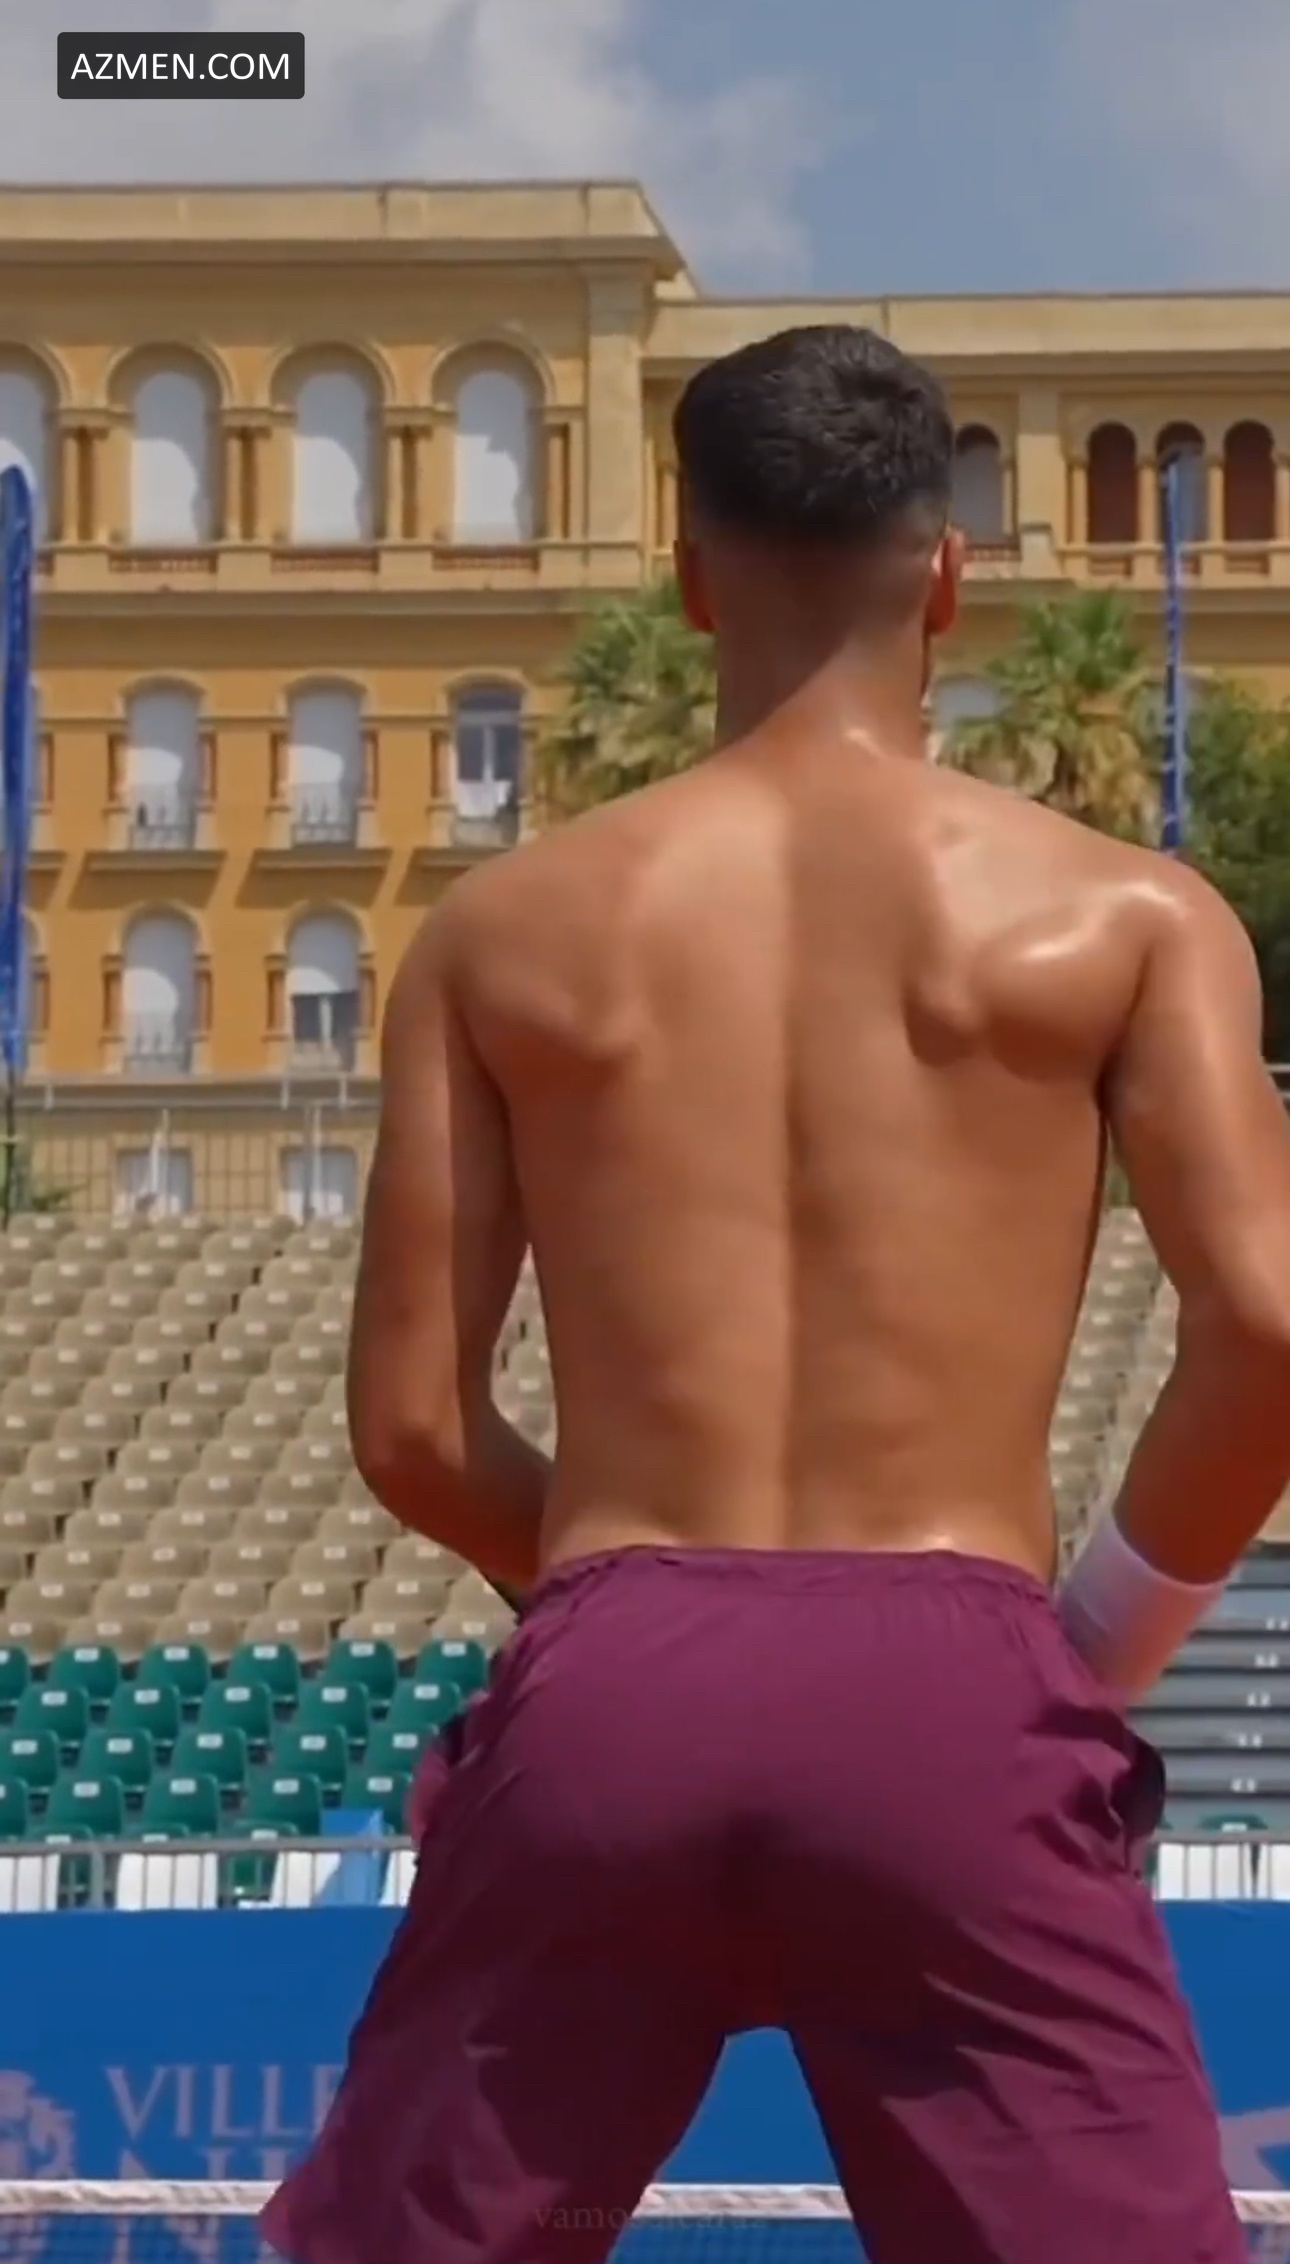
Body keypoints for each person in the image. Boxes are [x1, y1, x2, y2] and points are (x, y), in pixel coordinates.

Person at [263, 325, 1290, 2264]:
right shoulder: (1129, 916)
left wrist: (652, 1611)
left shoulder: (502, 931)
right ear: (949, 574)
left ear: (689, 576)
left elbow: (411, 1429)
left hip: (614, 1678)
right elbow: (1271, 1327)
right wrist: (1090, 1637)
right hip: (959, 1674)